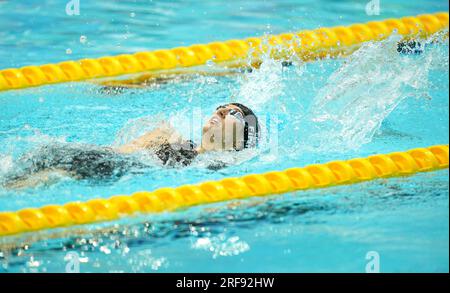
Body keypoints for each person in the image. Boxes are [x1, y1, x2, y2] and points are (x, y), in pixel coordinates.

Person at [3, 103, 260, 189]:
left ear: (243, 141)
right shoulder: (170, 135)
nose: (223, 110)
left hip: (122, 175)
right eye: (221, 107)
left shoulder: (224, 168)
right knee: (48, 157)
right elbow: (117, 153)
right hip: (111, 165)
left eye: (234, 114)